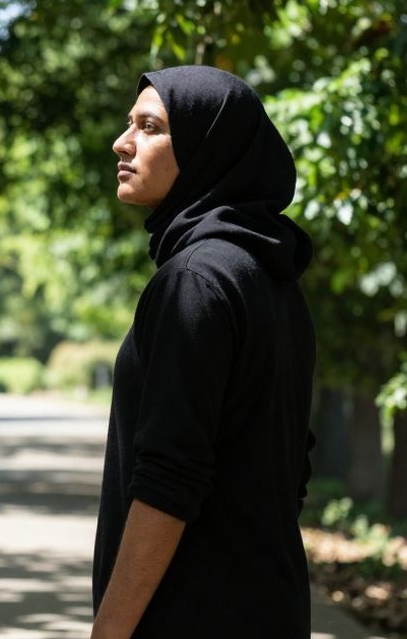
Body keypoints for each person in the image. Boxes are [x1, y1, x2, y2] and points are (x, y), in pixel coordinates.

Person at [91, 66, 316, 638]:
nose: (122, 142)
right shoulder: (271, 277)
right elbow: (291, 468)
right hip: (270, 607)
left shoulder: (194, 281)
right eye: (129, 124)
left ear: (205, 147)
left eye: (150, 127)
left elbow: (168, 480)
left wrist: (108, 633)